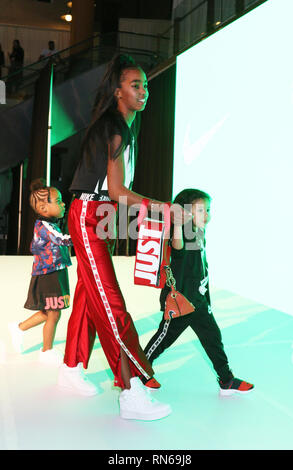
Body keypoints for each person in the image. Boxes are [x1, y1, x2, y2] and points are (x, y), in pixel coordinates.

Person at [57, 54, 190, 421]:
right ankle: (131, 392)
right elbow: (116, 190)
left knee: (89, 294)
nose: (144, 91)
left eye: (146, 85)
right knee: (111, 304)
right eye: (136, 85)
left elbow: (114, 193)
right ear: (118, 91)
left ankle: (70, 368)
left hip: (98, 217)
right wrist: (163, 207)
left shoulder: (118, 126)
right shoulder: (115, 127)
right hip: (89, 216)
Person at [143, 188, 254, 396]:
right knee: (163, 339)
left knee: (213, 337)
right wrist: (177, 222)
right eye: (202, 211)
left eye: (209, 210)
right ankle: (137, 371)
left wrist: (207, 298)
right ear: (185, 212)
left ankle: (226, 380)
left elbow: (202, 267)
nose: (208, 216)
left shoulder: (199, 232)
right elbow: (177, 247)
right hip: (182, 300)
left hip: (199, 300)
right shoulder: (182, 231)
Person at [8, 178, 72, 365]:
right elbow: (62, 240)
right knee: (53, 313)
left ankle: (19, 329)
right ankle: (46, 350)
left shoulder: (50, 224)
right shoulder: (45, 227)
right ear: (44, 209)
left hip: (55, 271)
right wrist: (83, 234)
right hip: (48, 275)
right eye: (58, 201)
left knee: (50, 312)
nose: (63, 204)